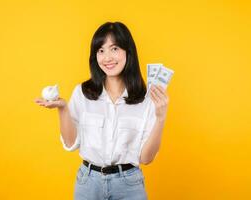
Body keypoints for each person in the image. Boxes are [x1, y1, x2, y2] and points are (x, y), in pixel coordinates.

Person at [34, 21, 169, 200]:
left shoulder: (146, 98)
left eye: (114, 49)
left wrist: (160, 118)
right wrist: (63, 109)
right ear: (95, 56)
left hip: (129, 186)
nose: (107, 57)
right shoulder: (82, 93)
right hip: (88, 183)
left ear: (128, 52)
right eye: (101, 50)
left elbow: (146, 158)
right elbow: (70, 143)